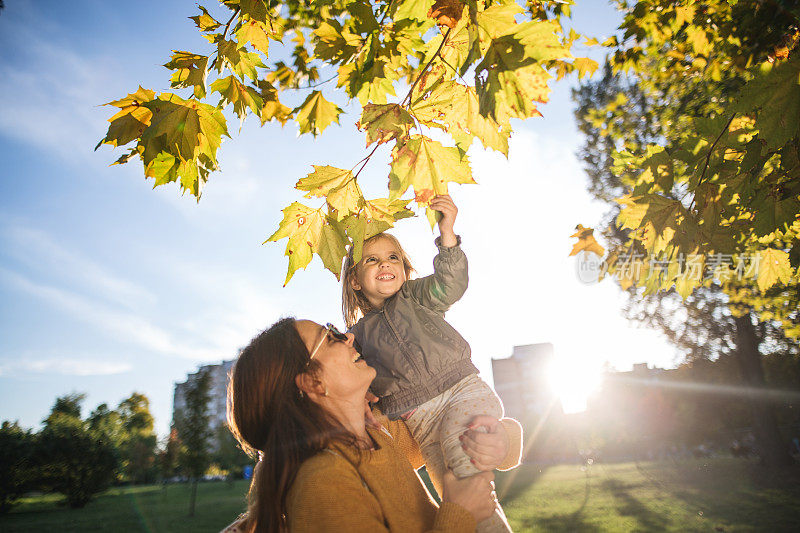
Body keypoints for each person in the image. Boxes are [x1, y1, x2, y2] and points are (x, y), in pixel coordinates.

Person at [224, 317, 522, 533]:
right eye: (331, 338)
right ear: (312, 382)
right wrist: (461, 515)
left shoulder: (374, 434)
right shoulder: (321, 483)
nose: (349, 337)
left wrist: (502, 442)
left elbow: (452, 429)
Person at [342, 194, 512, 532]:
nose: (384, 264)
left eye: (393, 258)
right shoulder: (356, 336)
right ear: (356, 280)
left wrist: (447, 233)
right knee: (455, 492)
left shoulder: (416, 297)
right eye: (371, 260)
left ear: (405, 271)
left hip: (460, 391)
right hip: (417, 419)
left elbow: (451, 283)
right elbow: (356, 382)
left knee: (464, 466)